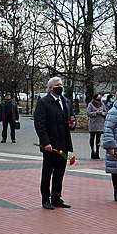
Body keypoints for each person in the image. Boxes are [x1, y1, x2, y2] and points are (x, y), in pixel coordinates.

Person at [33, 77, 75, 210]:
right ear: (50, 88)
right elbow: (39, 124)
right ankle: (45, 199)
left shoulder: (66, 101)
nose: (60, 87)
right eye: (57, 85)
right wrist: (45, 142)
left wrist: (72, 124)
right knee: (47, 173)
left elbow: (70, 119)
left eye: (61, 84)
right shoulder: (44, 102)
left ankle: (56, 197)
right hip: (50, 145)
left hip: (64, 143)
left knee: (60, 172)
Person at [86, 94, 106, 159]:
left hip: (100, 124)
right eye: (98, 97)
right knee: (92, 137)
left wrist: (102, 113)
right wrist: (96, 113)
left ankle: (97, 152)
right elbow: (88, 113)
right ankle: (92, 151)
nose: (100, 98)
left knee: (98, 139)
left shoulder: (102, 104)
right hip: (93, 124)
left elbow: (106, 112)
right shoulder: (90, 104)